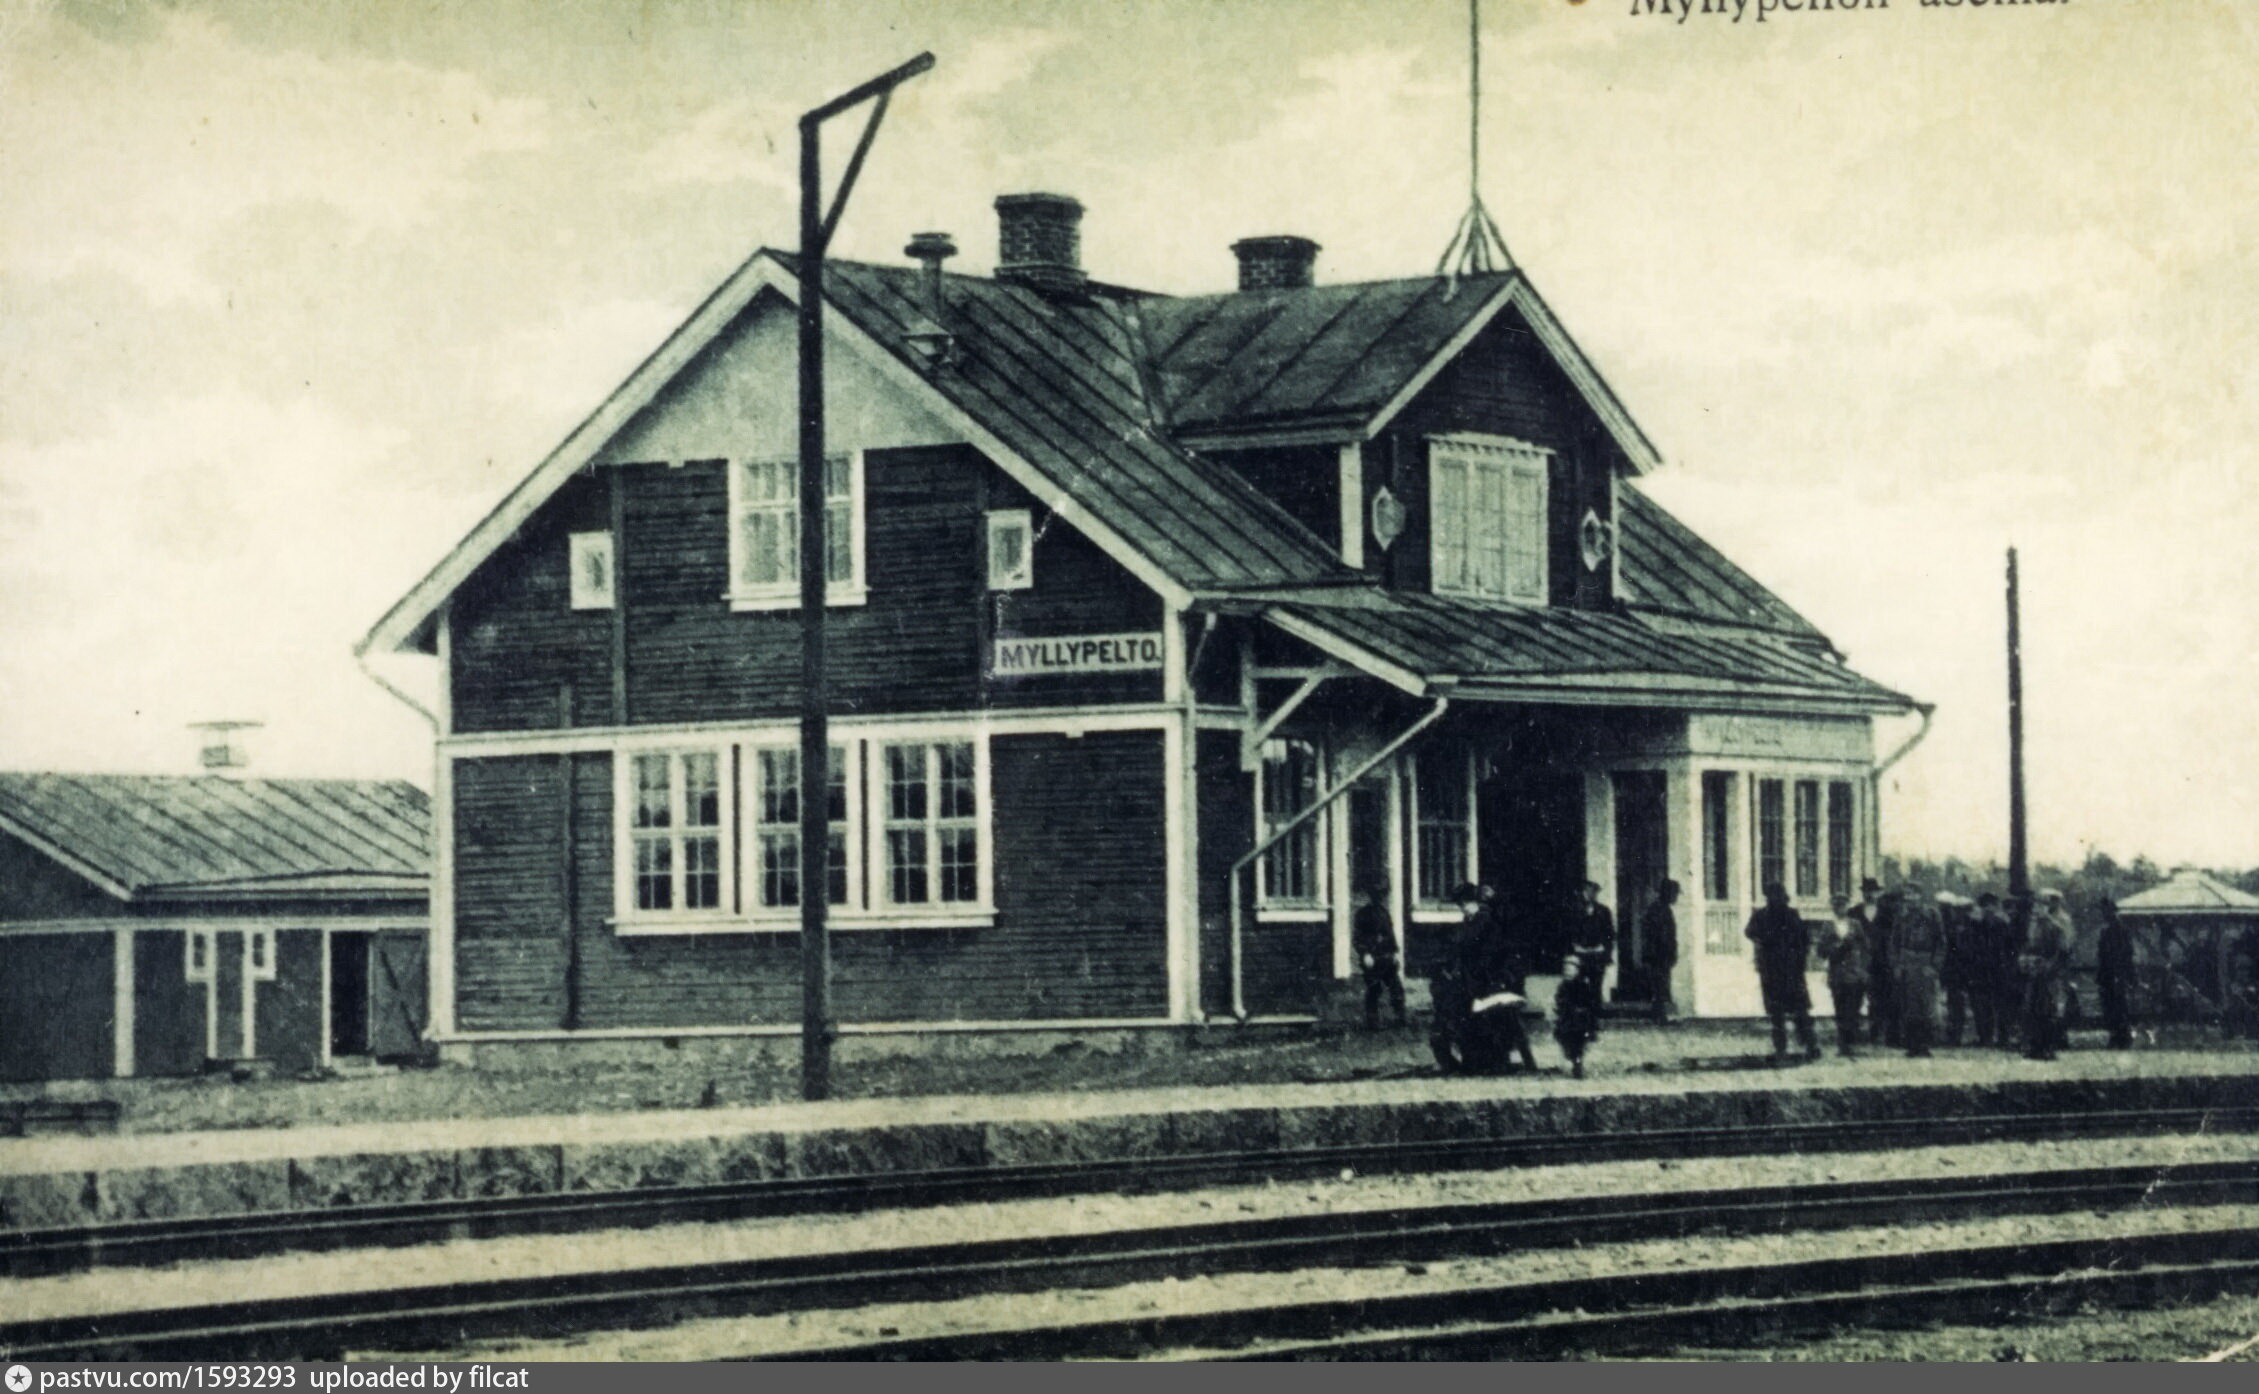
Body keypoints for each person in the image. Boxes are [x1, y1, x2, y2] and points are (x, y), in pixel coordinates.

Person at [1429, 884, 1537, 1075]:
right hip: (1473, 979)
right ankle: (1473, 1059)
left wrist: (1478, 977)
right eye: (1461, 905)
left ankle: (1490, 1060)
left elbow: (1490, 955)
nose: (1463, 909)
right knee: (1461, 1013)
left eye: (1465, 904)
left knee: (1485, 1016)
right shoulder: (1469, 922)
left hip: (1490, 980)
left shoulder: (1486, 921)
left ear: (1474, 902)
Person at [1746, 881, 1820, 1061]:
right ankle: (1783, 1048)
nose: (1775, 899)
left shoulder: (1789, 915)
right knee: (1779, 1014)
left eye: (1777, 896)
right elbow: (1749, 932)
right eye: (1772, 896)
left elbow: (1804, 939)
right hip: (1775, 970)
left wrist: (1800, 959)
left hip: (1789, 970)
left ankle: (1809, 1045)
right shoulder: (1763, 915)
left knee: (1799, 1012)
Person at [2021, 889, 2074, 1060]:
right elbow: (2030, 945)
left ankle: (2048, 1047)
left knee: (2050, 1009)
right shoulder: (2036, 924)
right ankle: (2035, 1046)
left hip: (2053, 972)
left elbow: (2064, 948)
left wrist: (2051, 966)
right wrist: (2028, 961)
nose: (2040, 907)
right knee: (2034, 1008)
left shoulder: (2059, 923)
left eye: (2045, 903)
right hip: (2037, 970)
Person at [1894, 889, 1945, 1058]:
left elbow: (1941, 942)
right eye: (1907, 895)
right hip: (1907, 962)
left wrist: (1934, 966)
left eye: (1913, 894)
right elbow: (1894, 942)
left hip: (1925, 962)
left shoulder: (1931, 914)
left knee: (1926, 1006)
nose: (1910, 898)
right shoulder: (1901, 916)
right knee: (1909, 1006)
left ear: (1920, 896)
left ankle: (1924, 1045)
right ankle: (1912, 1045)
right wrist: (1897, 964)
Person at [1819, 893, 1870, 1058]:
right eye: (1836, 905)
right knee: (1840, 1008)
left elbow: (1866, 947)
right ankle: (1843, 1045)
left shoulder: (1855, 924)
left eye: (1843, 905)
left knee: (1853, 1007)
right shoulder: (1827, 926)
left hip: (1854, 972)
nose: (1839, 908)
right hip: (1837, 973)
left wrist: (1863, 969)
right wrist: (1836, 947)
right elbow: (1821, 950)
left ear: (1848, 906)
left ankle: (1851, 1042)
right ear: (1832, 907)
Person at [1351, 883, 1407, 1030]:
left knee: (1396, 988)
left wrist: (1394, 953)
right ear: (1371, 896)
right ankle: (1373, 1022)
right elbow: (1357, 938)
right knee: (1374, 989)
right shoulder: (1362, 914)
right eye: (1377, 895)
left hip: (1386, 957)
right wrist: (1365, 954)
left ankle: (1400, 1018)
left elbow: (1390, 935)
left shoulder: (1384, 913)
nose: (1380, 898)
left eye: (1382, 895)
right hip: (1372, 958)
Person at [1964, 891, 2015, 1049]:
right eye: (1985, 906)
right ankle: (1985, 1037)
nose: (1988, 909)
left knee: (2001, 1006)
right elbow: (1970, 947)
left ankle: (2003, 1038)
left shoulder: (2002, 924)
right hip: (1981, 969)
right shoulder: (1975, 925)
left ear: (1996, 907)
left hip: (1999, 969)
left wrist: (2007, 966)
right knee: (1983, 1006)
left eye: (1991, 905)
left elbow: (2010, 948)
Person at [1852, 877, 1894, 1048]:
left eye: (1872, 891)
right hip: (1859, 961)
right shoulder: (1854, 912)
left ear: (1878, 893)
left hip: (1881, 962)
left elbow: (1893, 937)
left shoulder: (1888, 913)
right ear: (1862, 893)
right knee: (1855, 997)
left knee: (1879, 998)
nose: (1869, 894)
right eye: (1866, 891)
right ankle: (1853, 1036)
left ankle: (1877, 1034)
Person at [2095, 895, 2135, 1050]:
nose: (2104, 914)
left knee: (2118, 1005)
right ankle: (2115, 1035)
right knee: (2109, 1006)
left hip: (2117, 973)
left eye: (2105, 911)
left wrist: (2124, 974)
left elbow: (2126, 954)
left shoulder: (2121, 930)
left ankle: (2122, 1037)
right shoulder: (2105, 930)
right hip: (2107, 974)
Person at [1554, 951, 1601, 1079]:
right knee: (1565, 1040)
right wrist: (1561, 1008)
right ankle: (1573, 1056)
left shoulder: (1583, 985)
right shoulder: (1563, 986)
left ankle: (1577, 1062)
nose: (1567, 972)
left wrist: (1584, 1011)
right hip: (1567, 1018)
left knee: (1578, 1042)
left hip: (1581, 1019)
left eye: (1571, 970)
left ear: (1578, 971)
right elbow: (1559, 1000)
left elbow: (1591, 1002)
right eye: (1565, 970)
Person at [1642, 879, 1682, 1022]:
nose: (1676, 897)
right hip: (1658, 955)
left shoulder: (1662, 908)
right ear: (1668, 893)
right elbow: (1661, 936)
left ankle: (1659, 1015)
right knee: (1659, 986)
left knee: (1661, 986)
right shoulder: (1659, 910)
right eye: (1674, 894)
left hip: (1661, 955)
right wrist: (1668, 952)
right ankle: (1658, 1016)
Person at [1940, 894, 1977, 1046]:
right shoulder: (1951, 926)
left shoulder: (1974, 926)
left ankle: (1962, 1035)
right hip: (1956, 971)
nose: (1960, 913)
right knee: (1955, 1004)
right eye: (1957, 910)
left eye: (1963, 910)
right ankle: (1955, 1036)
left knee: (1969, 1004)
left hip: (1969, 970)